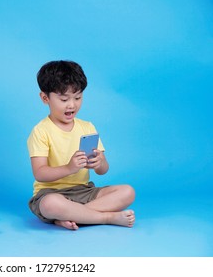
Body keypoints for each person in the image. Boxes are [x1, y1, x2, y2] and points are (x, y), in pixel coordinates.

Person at [27, 60, 136, 230]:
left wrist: (99, 163)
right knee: (51, 204)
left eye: (77, 97)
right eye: (64, 99)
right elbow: (40, 173)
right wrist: (69, 168)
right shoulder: (41, 131)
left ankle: (73, 215)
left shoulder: (87, 127)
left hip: (84, 191)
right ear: (45, 98)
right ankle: (105, 217)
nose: (72, 104)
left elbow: (103, 171)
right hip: (51, 194)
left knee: (128, 191)